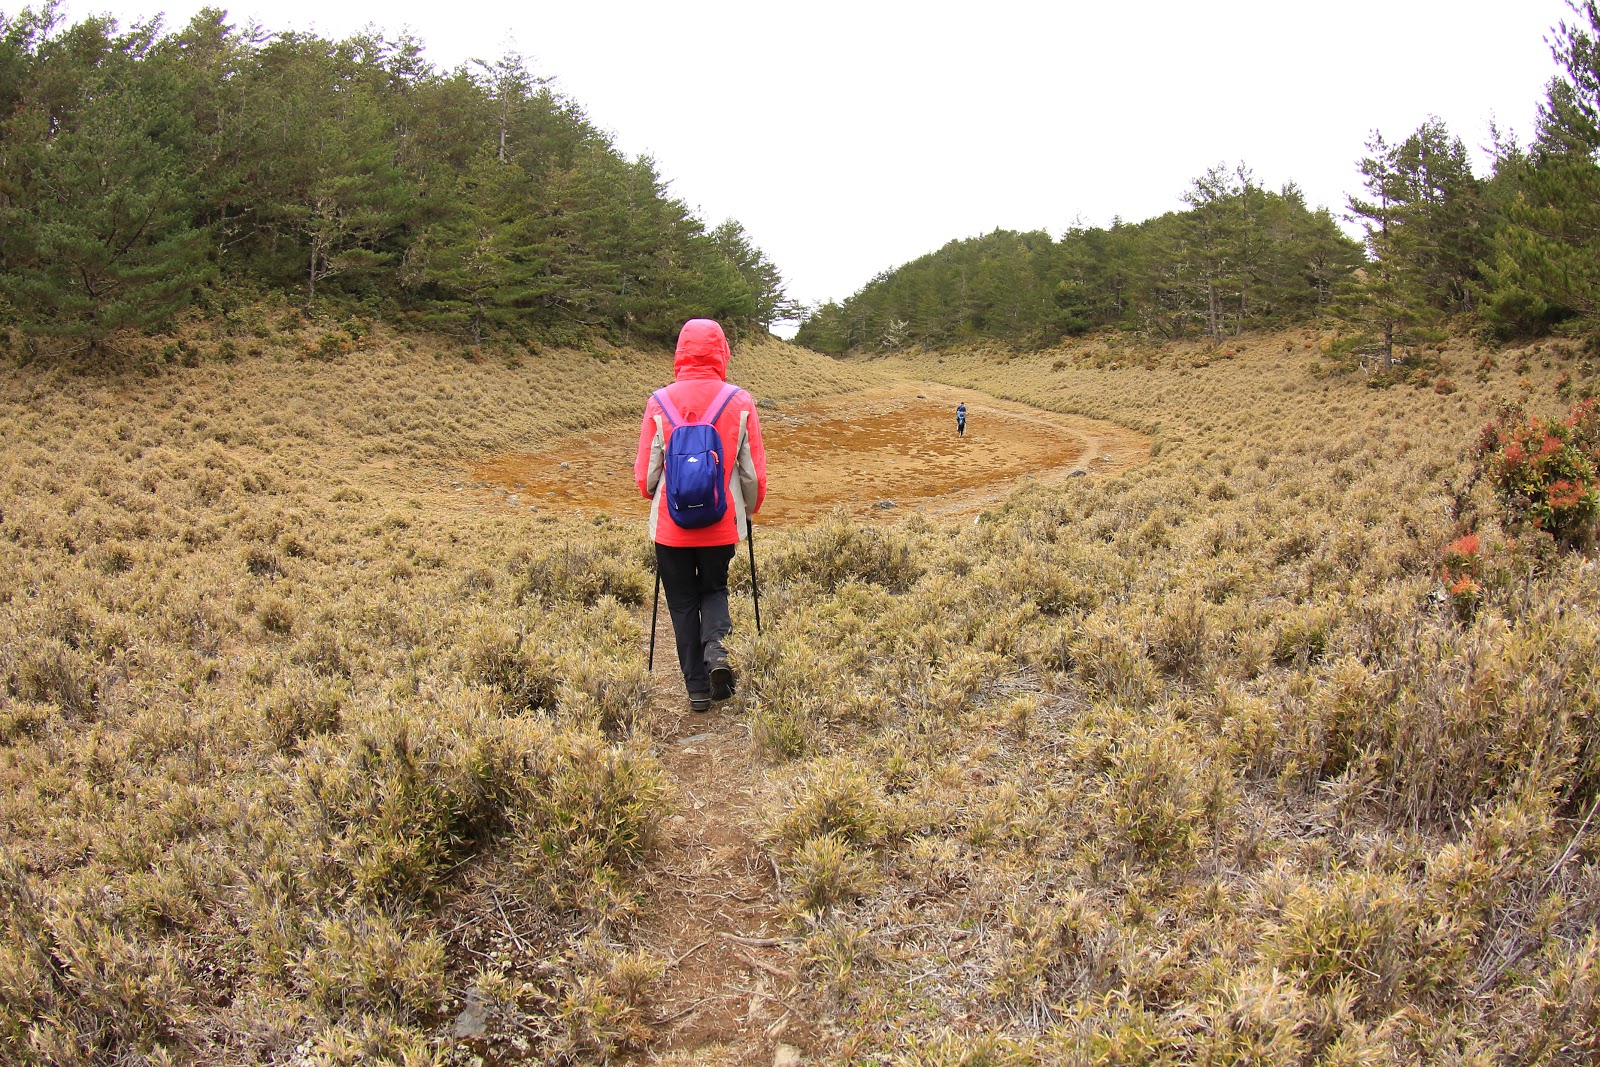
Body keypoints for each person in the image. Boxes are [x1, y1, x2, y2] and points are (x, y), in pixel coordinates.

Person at [635, 319, 767, 712]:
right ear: (721, 351)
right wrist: (748, 509)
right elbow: (752, 474)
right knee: (714, 589)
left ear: (680, 352)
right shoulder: (740, 400)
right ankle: (719, 655)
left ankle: (696, 689)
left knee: (680, 602)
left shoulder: (658, 401)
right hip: (720, 522)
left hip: (670, 529)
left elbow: (646, 478)